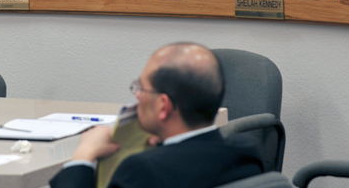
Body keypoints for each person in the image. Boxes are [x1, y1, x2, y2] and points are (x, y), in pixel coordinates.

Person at [49, 43, 263, 188]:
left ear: (163, 106)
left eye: (141, 89)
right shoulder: (245, 152)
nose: (138, 96)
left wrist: (83, 155)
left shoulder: (141, 170)